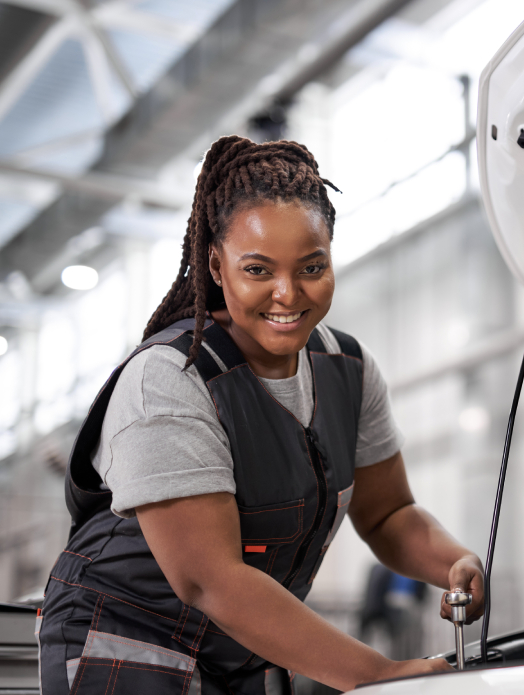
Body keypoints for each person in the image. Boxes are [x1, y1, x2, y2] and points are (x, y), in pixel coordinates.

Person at [37, 136, 484, 694]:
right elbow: (210, 581)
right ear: (216, 266)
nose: (287, 294)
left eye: (311, 267)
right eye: (257, 269)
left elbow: (389, 512)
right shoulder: (170, 380)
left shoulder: (348, 368)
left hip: (240, 656)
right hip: (124, 644)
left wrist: (455, 562)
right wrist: (379, 675)